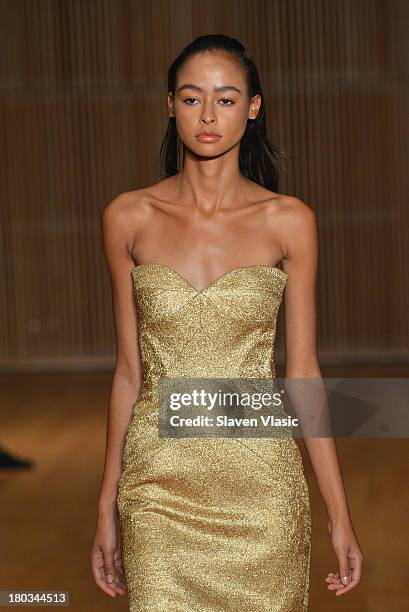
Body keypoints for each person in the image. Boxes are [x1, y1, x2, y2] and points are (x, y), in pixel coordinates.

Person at [90, 34, 364, 610]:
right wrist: (106, 506)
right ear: (170, 105)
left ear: (254, 107)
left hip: (263, 490)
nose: (208, 116)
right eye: (191, 99)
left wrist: (339, 516)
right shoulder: (128, 217)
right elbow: (128, 374)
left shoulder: (288, 222)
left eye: (226, 98)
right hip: (158, 488)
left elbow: (304, 373)